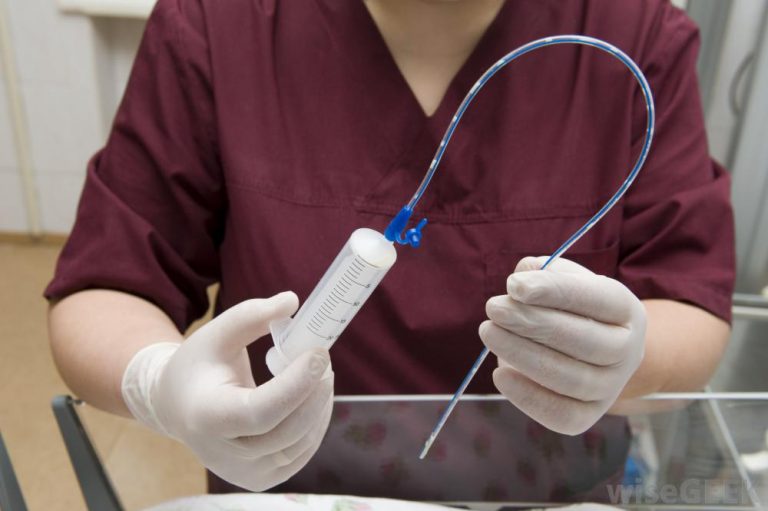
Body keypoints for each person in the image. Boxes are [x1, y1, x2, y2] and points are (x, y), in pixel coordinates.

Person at [46, 0, 735, 502]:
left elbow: (691, 298)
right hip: (293, 492)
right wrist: (162, 384)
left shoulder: (631, 34)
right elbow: (105, 285)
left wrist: (626, 358)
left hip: (547, 492)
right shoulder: (220, 23)